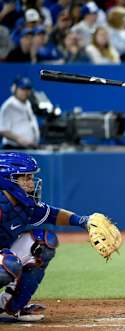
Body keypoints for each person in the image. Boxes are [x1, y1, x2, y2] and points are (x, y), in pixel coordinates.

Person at [0, 152, 108, 321]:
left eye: (31, 178)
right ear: (7, 180)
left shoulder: (24, 204)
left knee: (43, 243)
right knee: (7, 264)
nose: (31, 183)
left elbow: (53, 214)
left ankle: (11, 306)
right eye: (25, 178)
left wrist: (83, 221)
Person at [0, 77, 39, 149]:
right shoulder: (9, 106)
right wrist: (19, 139)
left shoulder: (28, 103)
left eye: (28, 89)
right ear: (15, 89)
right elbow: (2, 130)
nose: (26, 92)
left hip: (27, 148)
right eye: (23, 89)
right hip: (13, 148)